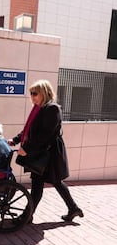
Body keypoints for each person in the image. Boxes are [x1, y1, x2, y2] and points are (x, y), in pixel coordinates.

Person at [8, 79, 83, 223]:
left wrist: (27, 148)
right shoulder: (39, 108)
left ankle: (27, 216)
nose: (32, 96)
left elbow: (45, 134)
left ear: (44, 93)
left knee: (43, 183)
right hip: (42, 152)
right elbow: (29, 130)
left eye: (34, 93)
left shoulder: (52, 109)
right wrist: (16, 140)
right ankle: (72, 208)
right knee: (50, 182)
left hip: (49, 153)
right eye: (30, 94)